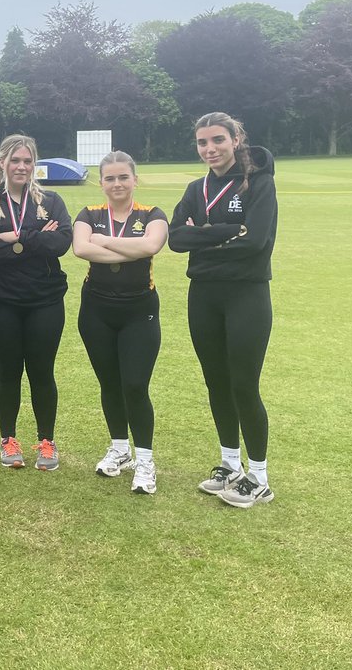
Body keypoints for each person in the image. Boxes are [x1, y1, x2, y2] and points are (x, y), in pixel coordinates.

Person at [169, 112, 278, 508]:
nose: (210, 149)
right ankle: (230, 464)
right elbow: (176, 238)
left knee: (243, 384)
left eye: (218, 140)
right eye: (202, 142)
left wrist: (204, 240)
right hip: (204, 295)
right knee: (216, 381)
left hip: (246, 295)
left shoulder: (259, 182)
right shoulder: (196, 188)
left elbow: (256, 241)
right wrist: (227, 233)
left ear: (236, 139)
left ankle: (259, 476)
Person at [71, 151, 168, 495]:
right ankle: (120, 450)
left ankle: (145, 460)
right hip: (96, 310)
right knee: (110, 383)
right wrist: (132, 249)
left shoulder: (152, 214)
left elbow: (152, 244)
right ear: (101, 183)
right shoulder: (89, 214)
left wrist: (105, 241)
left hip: (138, 311)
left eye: (123, 177)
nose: (117, 184)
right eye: (110, 178)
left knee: (135, 386)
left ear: (134, 180)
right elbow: (81, 249)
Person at [0, 134, 72, 472]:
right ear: (2, 162)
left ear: (34, 165)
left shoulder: (51, 200)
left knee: (42, 372)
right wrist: (36, 238)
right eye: (15, 160)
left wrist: (17, 238)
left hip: (45, 300)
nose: (21, 166)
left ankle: (47, 442)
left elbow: (61, 242)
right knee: (8, 371)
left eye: (27, 161)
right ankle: (9, 440)